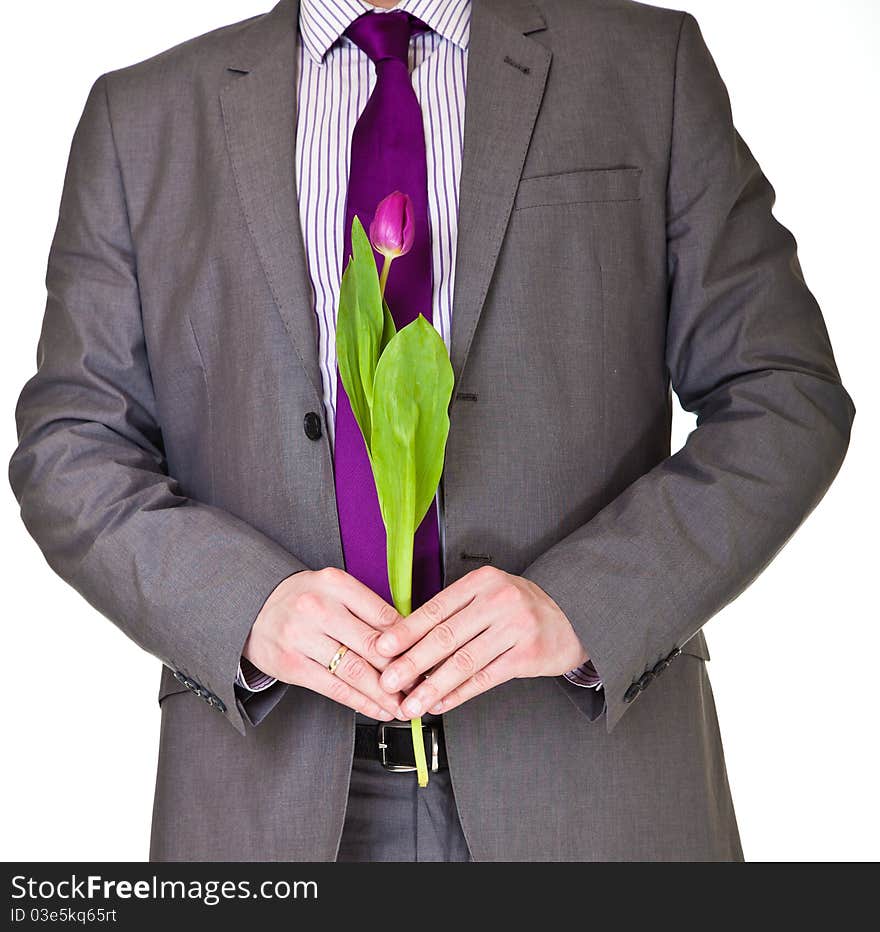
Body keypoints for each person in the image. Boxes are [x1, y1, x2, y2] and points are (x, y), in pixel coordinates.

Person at [9, 0, 855, 862]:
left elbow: (784, 395)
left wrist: (584, 605)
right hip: (261, 805)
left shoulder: (647, 66)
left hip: (594, 790)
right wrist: (245, 608)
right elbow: (70, 445)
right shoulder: (141, 118)